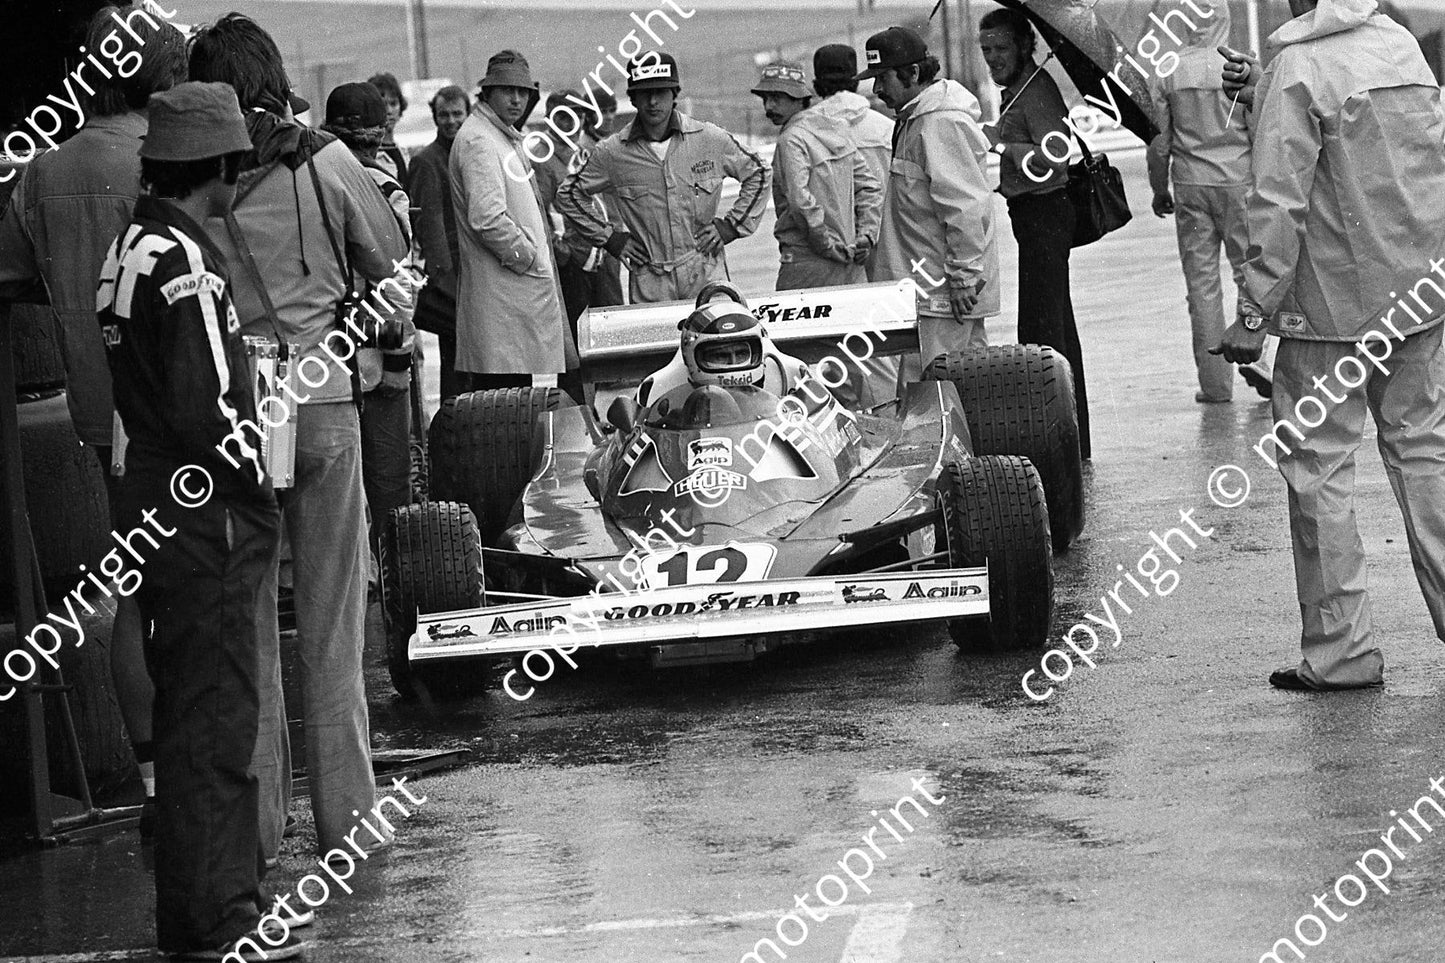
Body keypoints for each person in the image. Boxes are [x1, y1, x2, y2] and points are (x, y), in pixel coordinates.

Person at [189, 13, 407, 863]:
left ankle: (259, 825)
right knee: (332, 622)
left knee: (248, 628)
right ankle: (348, 820)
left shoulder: (186, 183)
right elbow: (389, 258)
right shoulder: (328, 162)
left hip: (236, 415)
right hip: (320, 409)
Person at [96, 81, 300, 962]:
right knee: (219, 721)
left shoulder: (127, 247)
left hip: (146, 500)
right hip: (202, 514)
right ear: (212, 164)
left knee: (184, 715)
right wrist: (259, 486)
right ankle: (225, 919)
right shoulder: (185, 260)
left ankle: (190, 916)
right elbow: (212, 406)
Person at [1215, 0, 1445, 691]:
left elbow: (1276, 200)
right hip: (1416, 296)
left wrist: (1252, 313)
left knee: (1318, 472)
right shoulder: (1399, 48)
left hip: (1329, 311)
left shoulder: (1297, 65)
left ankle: (1342, 651)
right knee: (1424, 454)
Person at [0, 2, 186, 838]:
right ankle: (211, 779)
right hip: (182, 413)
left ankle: (155, 784)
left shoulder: (43, 171)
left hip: (95, 411)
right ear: (163, 76)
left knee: (132, 597)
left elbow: (11, 273)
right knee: (209, 599)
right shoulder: (174, 155)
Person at [555, 52, 769, 304]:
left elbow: (759, 172)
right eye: (644, 93)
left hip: (705, 271)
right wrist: (611, 239)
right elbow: (569, 195)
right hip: (650, 278)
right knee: (658, 343)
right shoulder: (613, 152)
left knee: (715, 340)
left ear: (674, 93)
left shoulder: (709, 139)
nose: (653, 101)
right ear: (633, 98)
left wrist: (731, 227)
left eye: (661, 91)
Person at [1147, 0, 1275, 404]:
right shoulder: (1238, 65)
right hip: (1239, 184)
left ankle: (1215, 386)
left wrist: (1158, 189)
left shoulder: (1167, 70)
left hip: (1190, 187)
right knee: (1251, 277)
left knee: (1201, 287)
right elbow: (1260, 130)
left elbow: (1159, 142)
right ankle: (1260, 357)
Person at [978, 7, 1088, 458]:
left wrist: (998, 141)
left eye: (1001, 48)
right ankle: (1070, 440)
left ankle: (1058, 442)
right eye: (986, 50)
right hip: (1031, 215)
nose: (993, 58)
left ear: (1024, 46)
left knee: (1044, 332)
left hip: (1045, 214)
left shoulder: (1036, 90)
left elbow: (1055, 157)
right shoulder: (1016, 90)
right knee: (1052, 325)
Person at [862, 26, 999, 377]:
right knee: (953, 392)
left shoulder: (940, 123)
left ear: (913, 73)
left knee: (936, 396)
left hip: (943, 296)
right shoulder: (915, 120)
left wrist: (964, 278)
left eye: (883, 78)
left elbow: (965, 207)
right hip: (929, 294)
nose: (877, 90)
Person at [321, 81, 418, 538]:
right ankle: (390, 569)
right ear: (380, 136)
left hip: (327, 361)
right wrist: (400, 361)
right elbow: (401, 289)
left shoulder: (308, 182)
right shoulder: (383, 188)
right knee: (388, 478)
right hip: (377, 357)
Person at [449, 50, 575, 394]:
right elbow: (487, 218)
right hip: (504, 305)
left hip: (510, 306)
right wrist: (530, 259)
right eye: (507, 90)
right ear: (487, 93)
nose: (517, 98)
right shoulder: (480, 140)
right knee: (505, 409)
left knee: (513, 405)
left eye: (523, 92)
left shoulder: (497, 135)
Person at [752, 61, 881, 291]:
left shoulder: (790, 139)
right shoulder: (835, 129)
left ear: (799, 99)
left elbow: (801, 203)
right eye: (765, 99)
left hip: (807, 264)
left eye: (776, 98)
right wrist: (866, 237)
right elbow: (869, 187)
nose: (768, 107)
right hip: (852, 264)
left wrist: (829, 247)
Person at [533, 88, 624, 389]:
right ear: (548, 120)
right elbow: (541, 214)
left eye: (574, 116)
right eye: (560, 117)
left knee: (603, 336)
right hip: (571, 263)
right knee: (575, 345)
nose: (567, 124)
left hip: (599, 258)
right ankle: (575, 410)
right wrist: (563, 254)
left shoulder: (585, 156)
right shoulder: (544, 162)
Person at [409, 84, 469, 401]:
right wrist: (447, 282)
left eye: (457, 114)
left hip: (469, 274)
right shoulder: (426, 161)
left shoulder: (466, 153)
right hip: (451, 279)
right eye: (443, 114)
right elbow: (428, 225)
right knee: (456, 364)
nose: (450, 121)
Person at [367, 71, 410, 187]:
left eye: (393, 103)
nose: (389, 111)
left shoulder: (404, 152)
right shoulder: (369, 156)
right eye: (383, 105)